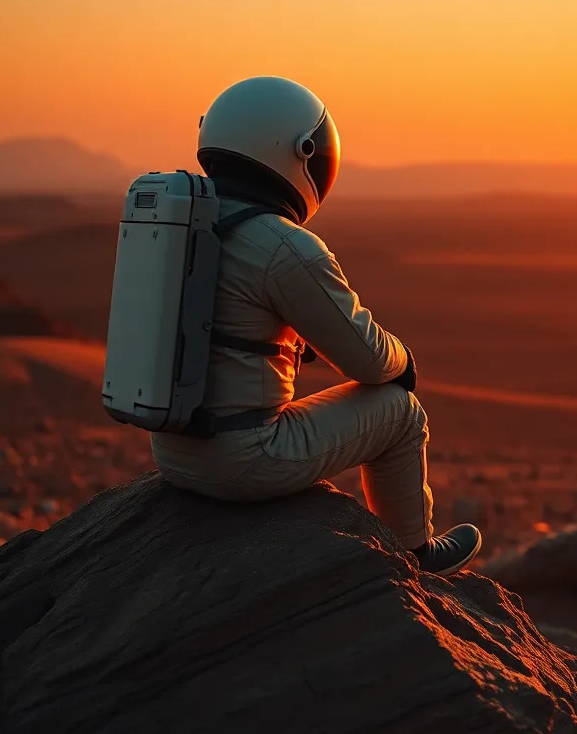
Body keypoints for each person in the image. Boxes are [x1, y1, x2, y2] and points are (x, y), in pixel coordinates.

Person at [150, 75, 481, 575]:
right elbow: (367, 359)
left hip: (173, 452)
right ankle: (415, 555)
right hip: (244, 461)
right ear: (296, 151)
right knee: (400, 410)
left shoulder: (185, 222)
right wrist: (404, 360)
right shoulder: (283, 246)